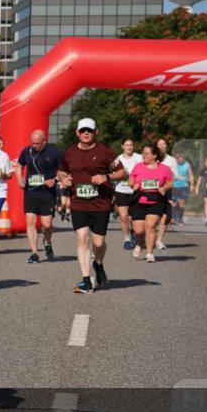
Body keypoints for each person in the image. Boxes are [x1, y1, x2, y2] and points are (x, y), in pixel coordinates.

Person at [57, 118, 125, 293]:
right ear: (77, 133)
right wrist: (63, 178)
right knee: (82, 238)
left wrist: (106, 177)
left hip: (100, 203)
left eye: (89, 130)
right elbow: (62, 170)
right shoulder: (70, 152)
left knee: (99, 243)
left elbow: (122, 171)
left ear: (96, 132)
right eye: (83, 130)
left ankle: (99, 264)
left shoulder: (105, 152)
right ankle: (86, 280)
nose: (86, 133)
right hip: (78, 202)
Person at [16, 129, 62, 263]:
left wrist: (55, 180)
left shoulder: (54, 152)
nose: (34, 145)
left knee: (46, 224)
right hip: (31, 191)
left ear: (44, 142)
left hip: (47, 192)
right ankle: (34, 253)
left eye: (37, 143)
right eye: (32, 143)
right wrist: (19, 180)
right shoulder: (26, 151)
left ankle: (47, 242)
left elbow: (63, 170)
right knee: (30, 221)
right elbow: (19, 166)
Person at [128, 144, 174, 263]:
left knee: (150, 226)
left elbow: (169, 183)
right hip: (139, 198)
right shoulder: (138, 166)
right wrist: (134, 185)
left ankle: (149, 253)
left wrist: (164, 187)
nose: (144, 155)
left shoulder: (164, 168)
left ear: (154, 155)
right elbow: (131, 180)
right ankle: (140, 243)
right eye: (143, 153)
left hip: (156, 199)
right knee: (138, 231)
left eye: (147, 153)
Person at [114, 138, 143, 250]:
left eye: (131, 145)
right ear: (122, 146)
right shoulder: (117, 159)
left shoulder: (139, 158)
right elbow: (112, 173)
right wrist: (120, 174)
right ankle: (126, 239)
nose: (129, 147)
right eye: (127, 145)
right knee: (124, 217)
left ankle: (134, 232)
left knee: (134, 218)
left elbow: (145, 171)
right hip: (121, 190)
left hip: (135, 190)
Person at [154, 138, 177, 249]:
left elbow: (175, 176)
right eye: (159, 144)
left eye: (163, 144)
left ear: (167, 147)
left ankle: (159, 240)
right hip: (151, 190)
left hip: (166, 190)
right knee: (151, 216)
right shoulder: (151, 158)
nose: (161, 146)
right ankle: (147, 236)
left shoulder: (171, 160)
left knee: (167, 215)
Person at [171, 152, 194, 225]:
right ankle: (174, 218)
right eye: (179, 158)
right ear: (176, 159)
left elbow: (190, 175)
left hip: (184, 186)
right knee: (174, 203)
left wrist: (192, 185)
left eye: (182, 158)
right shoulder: (173, 164)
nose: (181, 160)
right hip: (174, 186)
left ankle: (180, 219)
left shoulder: (187, 164)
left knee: (182, 202)